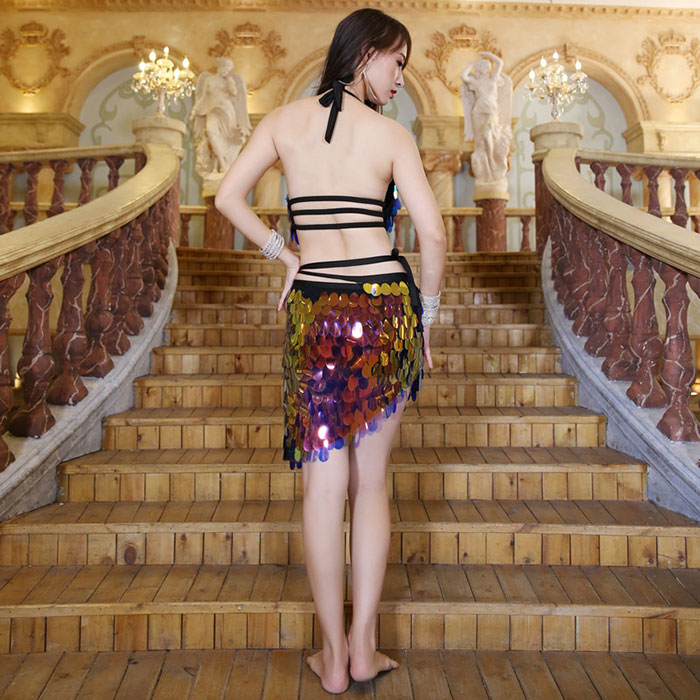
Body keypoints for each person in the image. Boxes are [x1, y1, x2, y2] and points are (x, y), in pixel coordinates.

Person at [215, 8, 445, 693]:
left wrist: (284, 254)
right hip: (384, 309)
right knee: (371, 482)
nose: (399, 78)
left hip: (315, 309)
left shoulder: (283, 122)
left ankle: (333, 655)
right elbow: (433, 235)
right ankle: (364, 648)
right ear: (366, 53)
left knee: (322, 483)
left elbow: (227, 197)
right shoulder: (391, 135)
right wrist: (428, 317)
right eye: (397, 62)